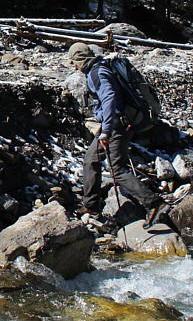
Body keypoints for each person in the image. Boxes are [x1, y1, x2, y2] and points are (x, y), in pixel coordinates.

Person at [67, 42, 168, 223]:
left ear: (81, 59)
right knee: (91, 159)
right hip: (116, 125)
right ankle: (91, 205)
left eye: (74, 61)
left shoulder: (97, 73)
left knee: (117, 170)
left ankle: (154, 203)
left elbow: (109, 98)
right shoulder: (99, 69)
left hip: (114, 127)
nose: (74, 66)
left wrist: (106, 131)